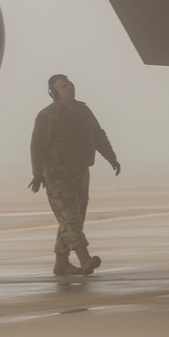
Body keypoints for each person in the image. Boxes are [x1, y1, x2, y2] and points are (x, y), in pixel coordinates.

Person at [29, 74, 120, 276]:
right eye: (63, 86)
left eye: (70, 84)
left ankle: (61, 264)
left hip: (80, 171)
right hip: (57, 173)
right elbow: (37, 145)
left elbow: (98, 135)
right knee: (70, 219)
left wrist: (111, 157)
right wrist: (37, 173)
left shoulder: (84, 111)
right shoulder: (47, 116)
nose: (69, 88)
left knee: (72, 219)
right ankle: (84, 258)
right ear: (54, 92)